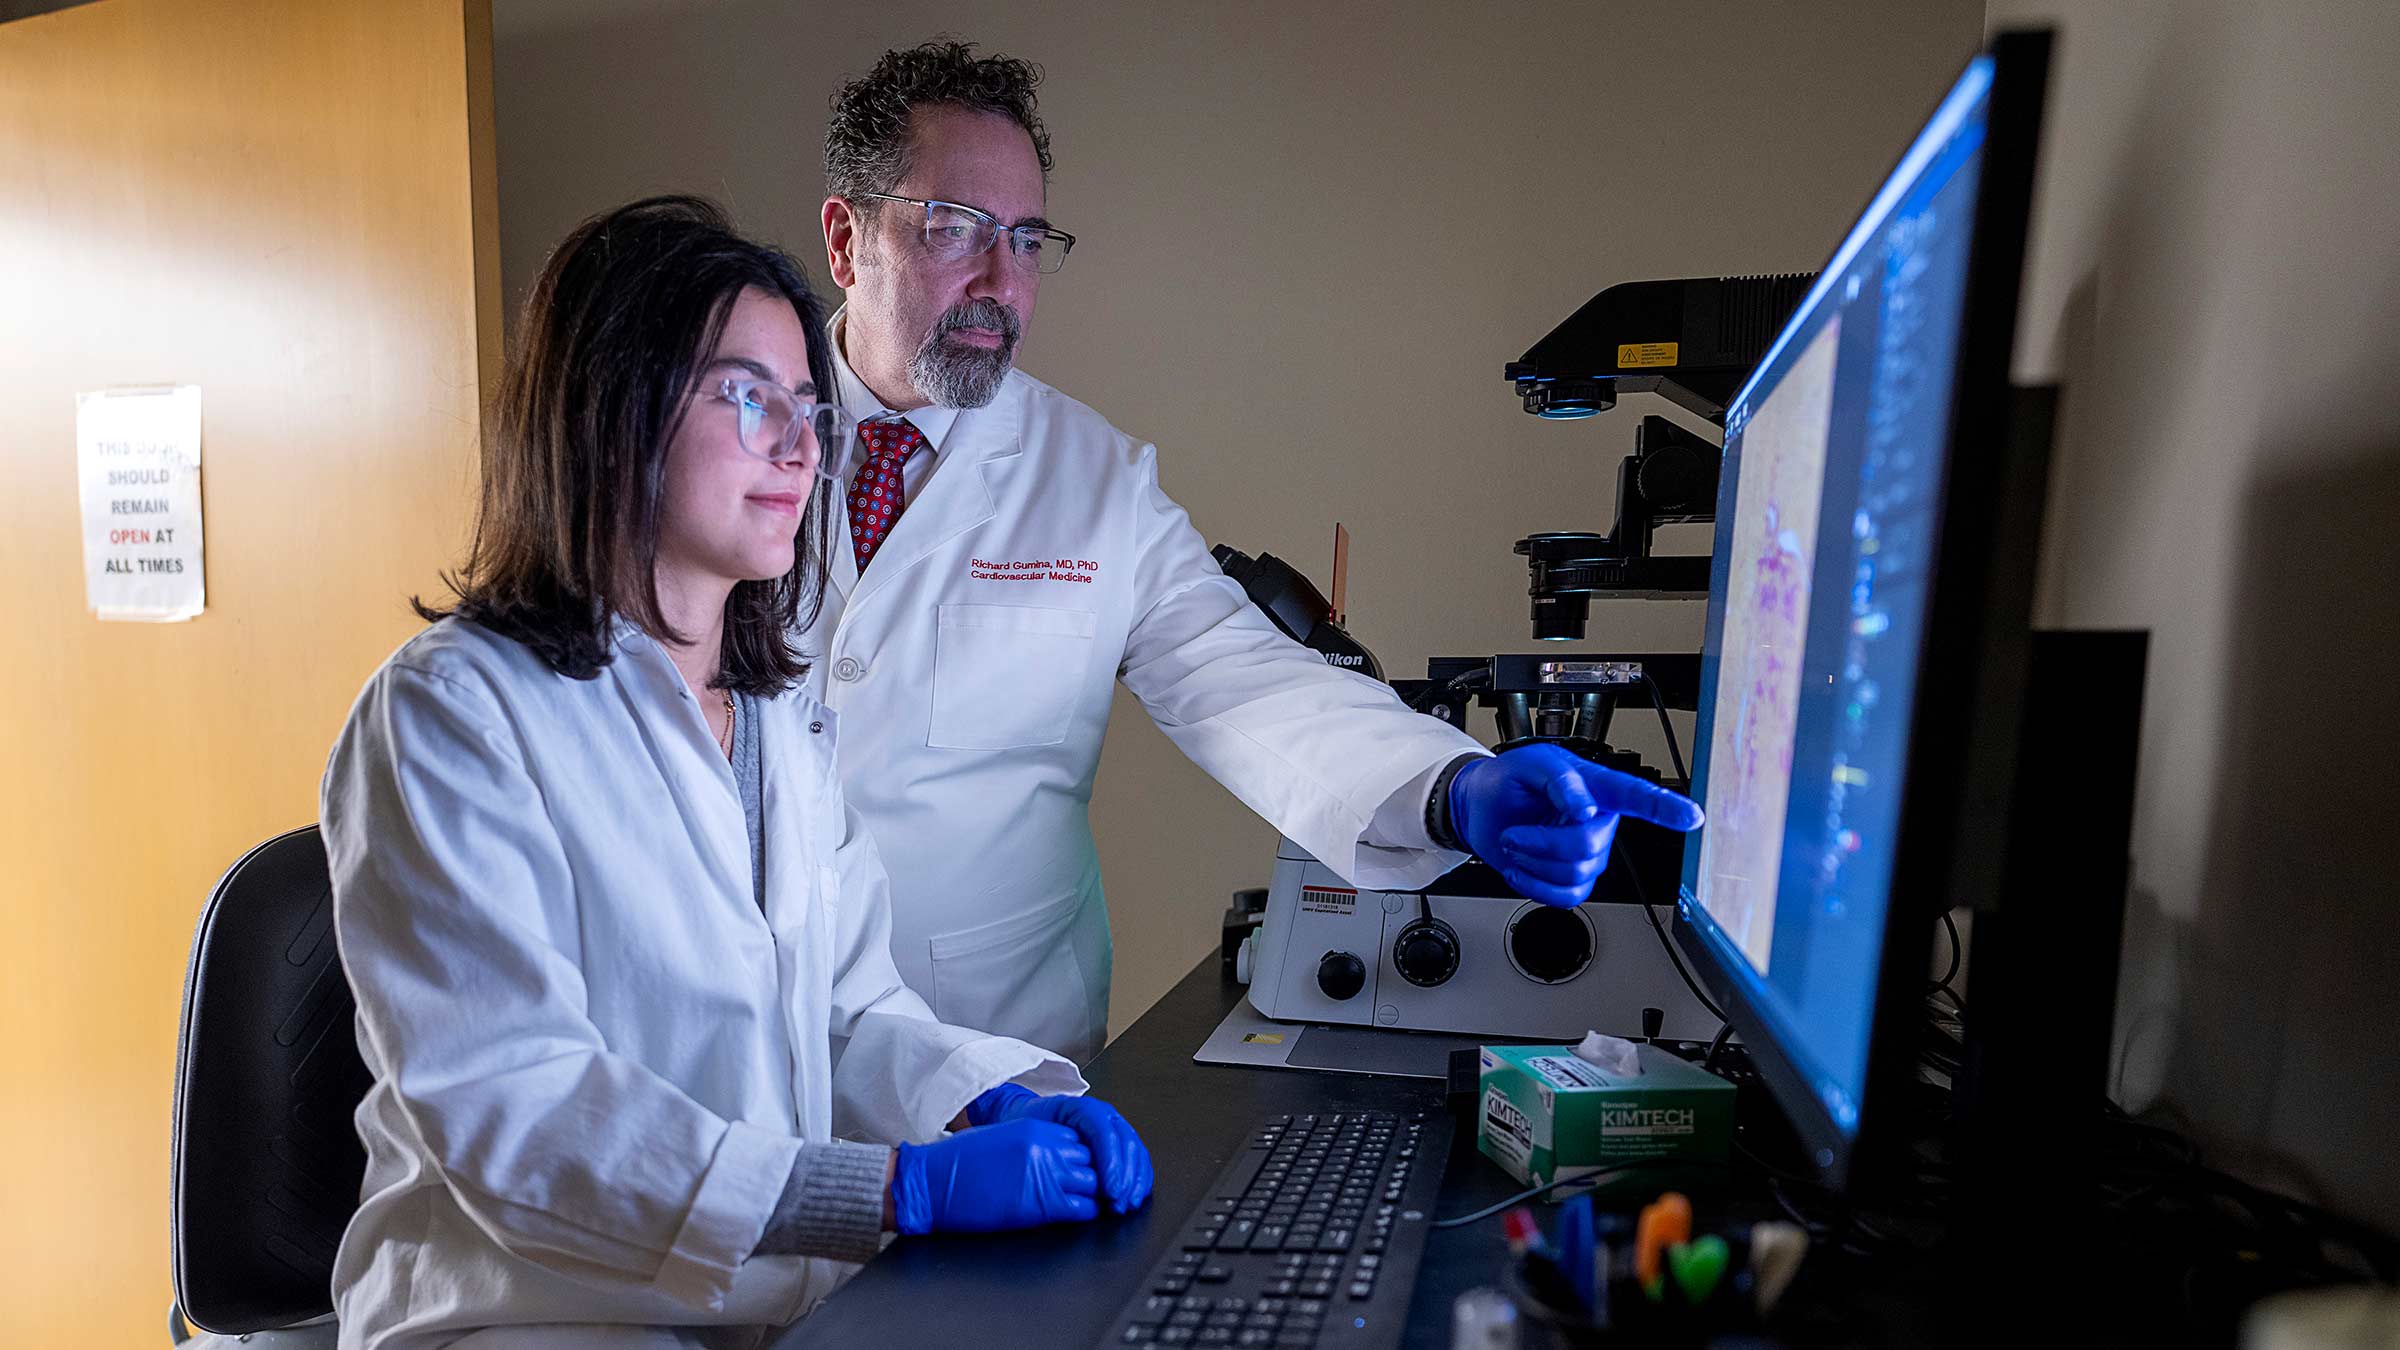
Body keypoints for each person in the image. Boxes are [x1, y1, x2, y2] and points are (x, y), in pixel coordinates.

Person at [319, 196, 1153, 1350]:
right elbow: (520, 1106)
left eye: (809, 406)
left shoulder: (776, 718)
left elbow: (850, 1009)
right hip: (530, 1315)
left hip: (767, 1299)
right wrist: (889, 1194)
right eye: (744, 394)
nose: (802, 445)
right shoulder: (455, 715)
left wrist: (984, 1094)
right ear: (613, 407)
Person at [805, 42, 1705, 1064]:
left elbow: (1249, 686)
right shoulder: (705, 431)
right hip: (736, 1040)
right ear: (846, 237)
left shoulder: (1094, 480)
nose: (1000, 281)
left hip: (986, 1047)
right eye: (955, 228)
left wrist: (1455, 790)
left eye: (1026, 238)